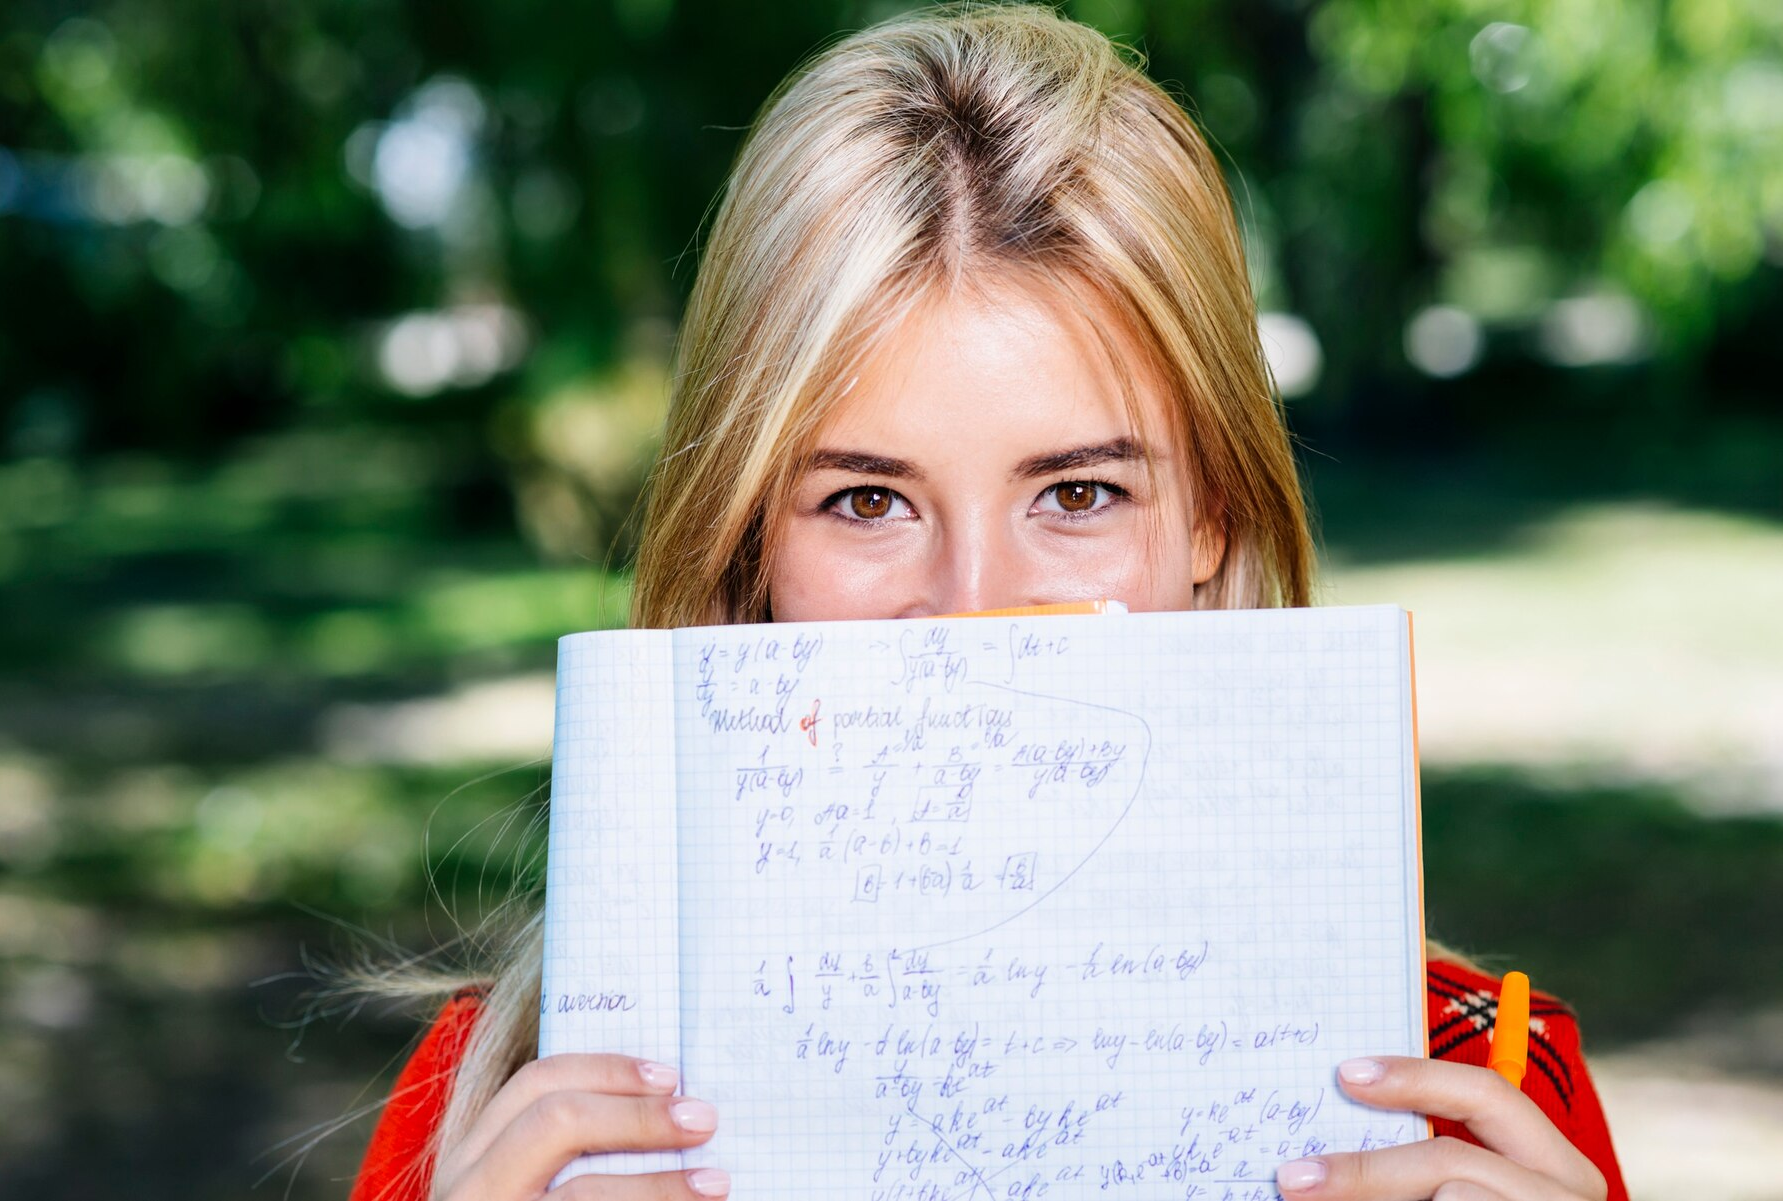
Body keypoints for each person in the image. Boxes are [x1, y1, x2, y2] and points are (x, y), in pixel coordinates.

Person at [346, 4, 1627, 1199]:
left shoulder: (1486, 1100)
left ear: (1215, 514)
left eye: (1076, 494)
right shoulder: (497, 1114)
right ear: (748, 546)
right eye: (865, 501)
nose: (973, 615)